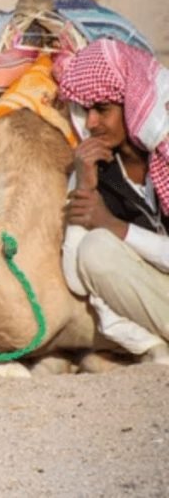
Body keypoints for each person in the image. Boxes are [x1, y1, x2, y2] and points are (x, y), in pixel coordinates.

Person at [59, 39, 169, 364]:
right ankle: (151, 347)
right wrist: (86, 186)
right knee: (95, 249)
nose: (92, 123)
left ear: (132, 103)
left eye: (103, 109)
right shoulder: (96, 166)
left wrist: (115, 227)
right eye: (87, 110)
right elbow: (78, 280)